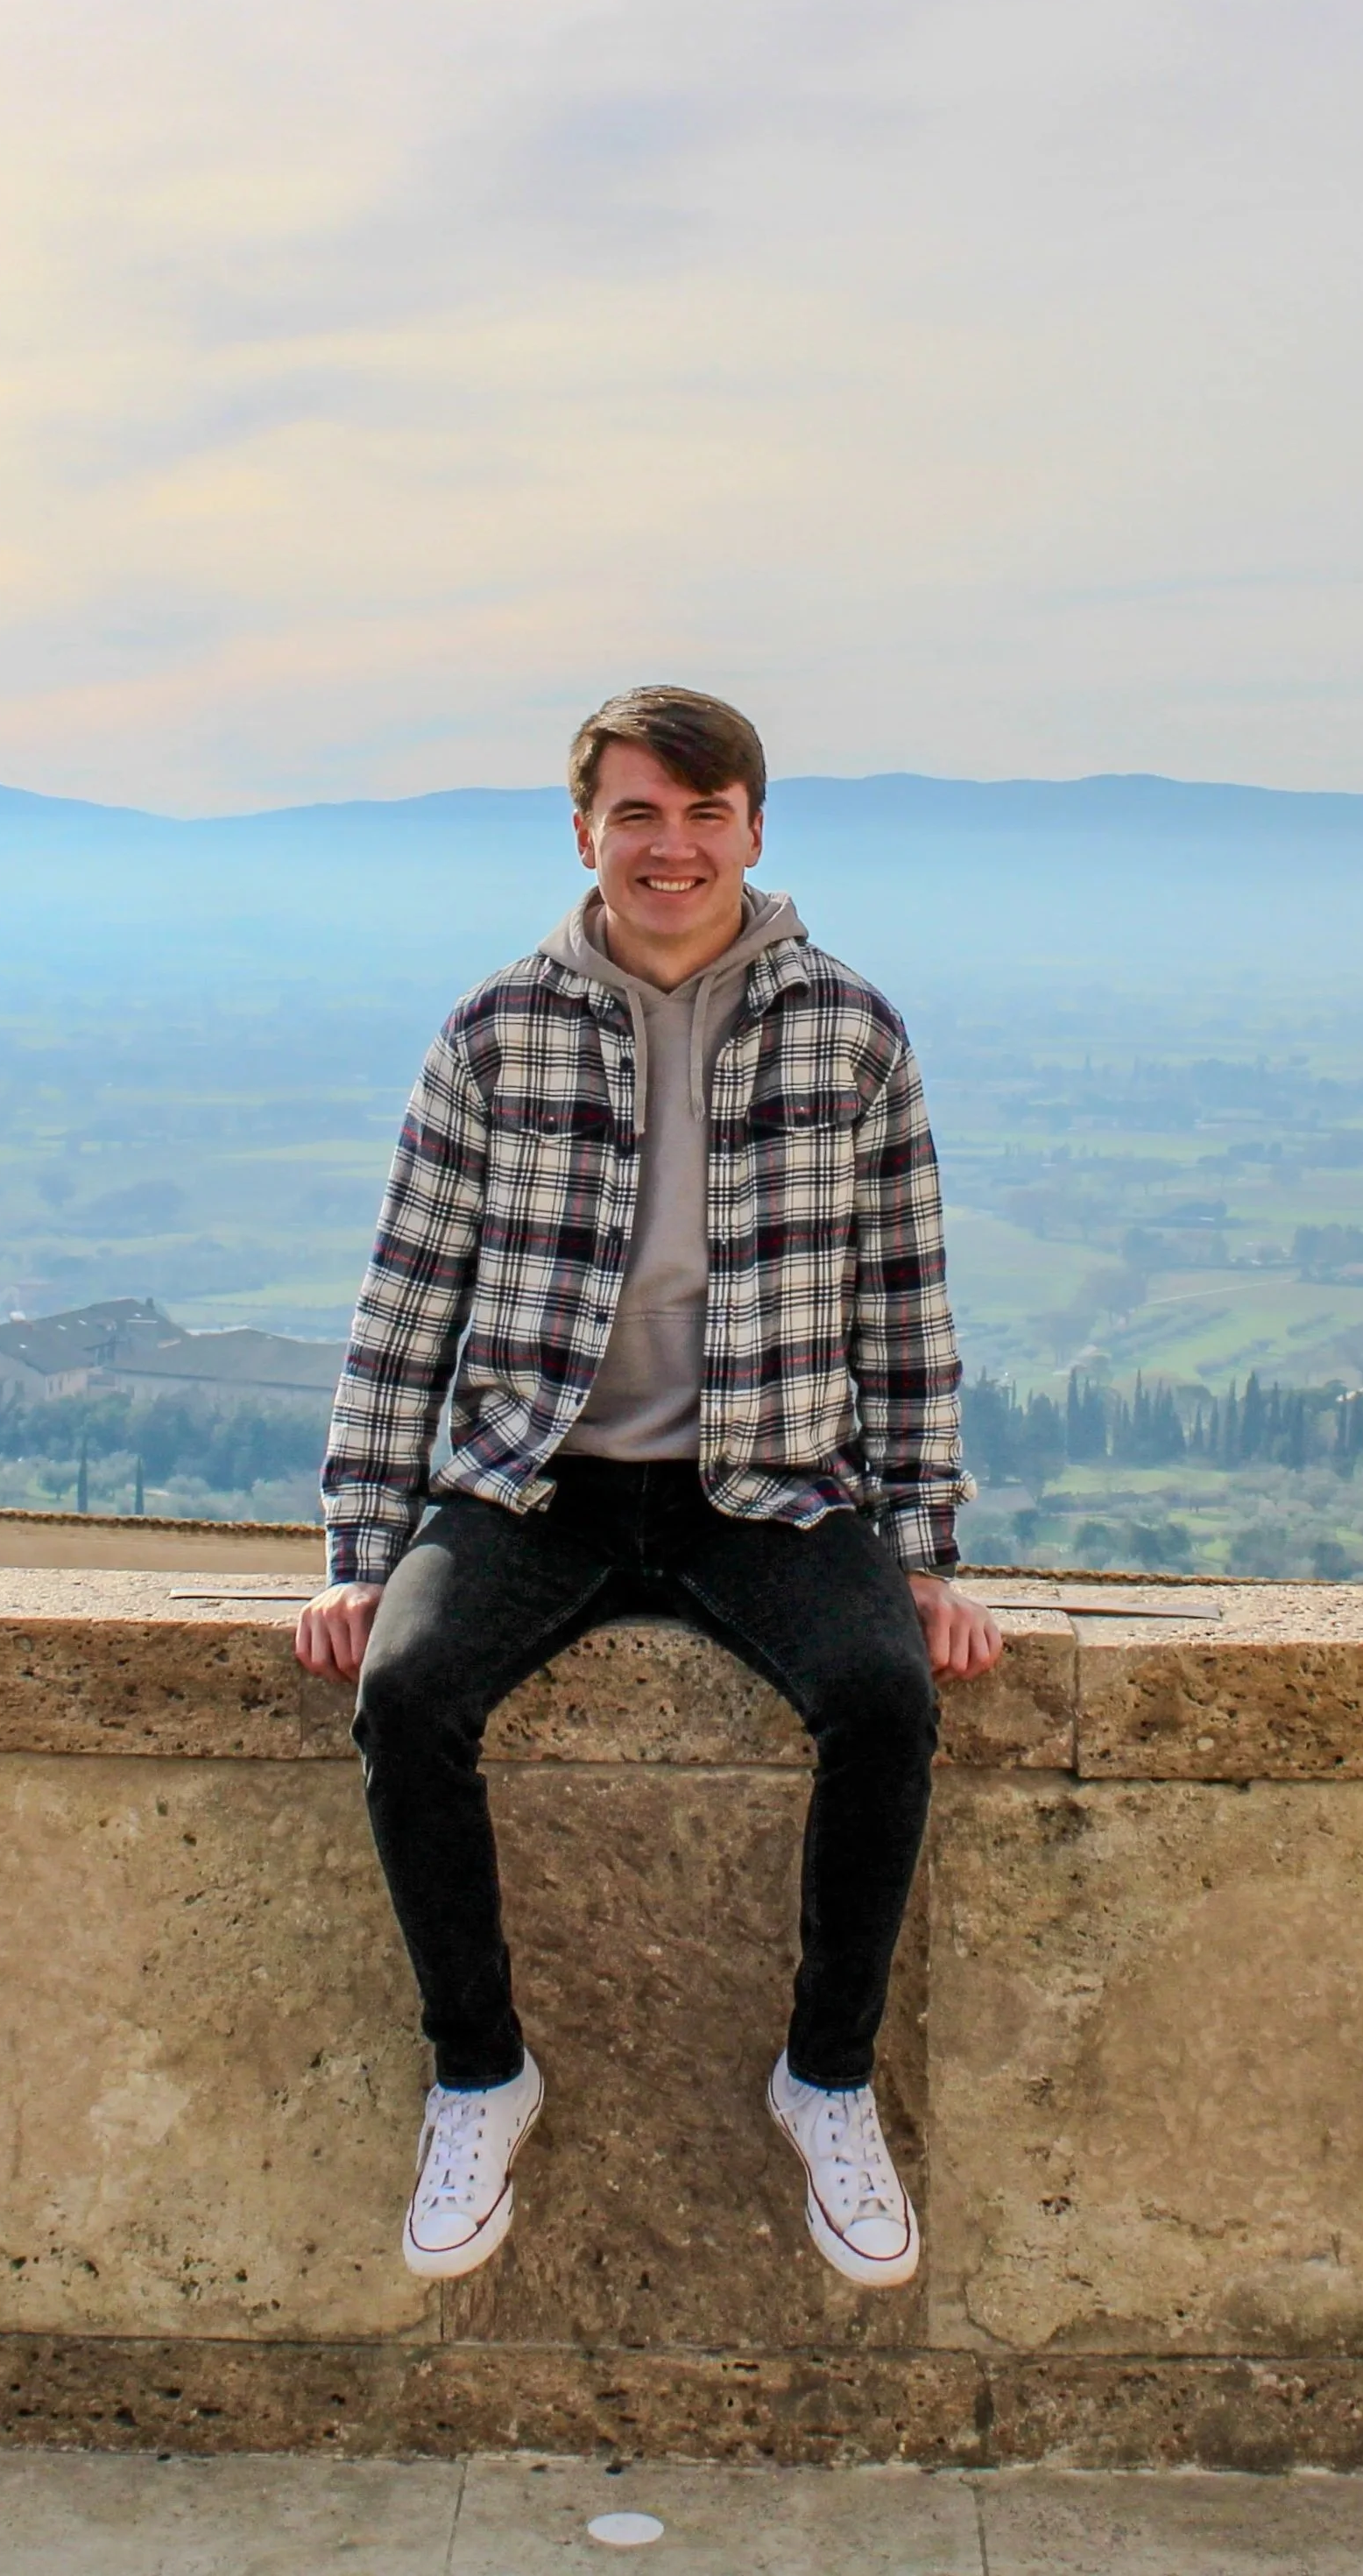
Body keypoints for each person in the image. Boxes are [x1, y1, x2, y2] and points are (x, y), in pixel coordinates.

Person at [295, 686, 1000, 2291]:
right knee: (405, 1696)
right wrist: (356, 1548)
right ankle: (480, 2075)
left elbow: (903, 1295)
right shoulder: (495, 1029)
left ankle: (826, 2081)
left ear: (754, 827)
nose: (670, 847)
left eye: (702, 814)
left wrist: (928, 1551)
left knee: (884, 1701)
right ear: (584, 833)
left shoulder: (852, 1029)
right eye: (637, 815)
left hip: (766, 1481)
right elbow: (406, 1294)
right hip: (532, 1478)